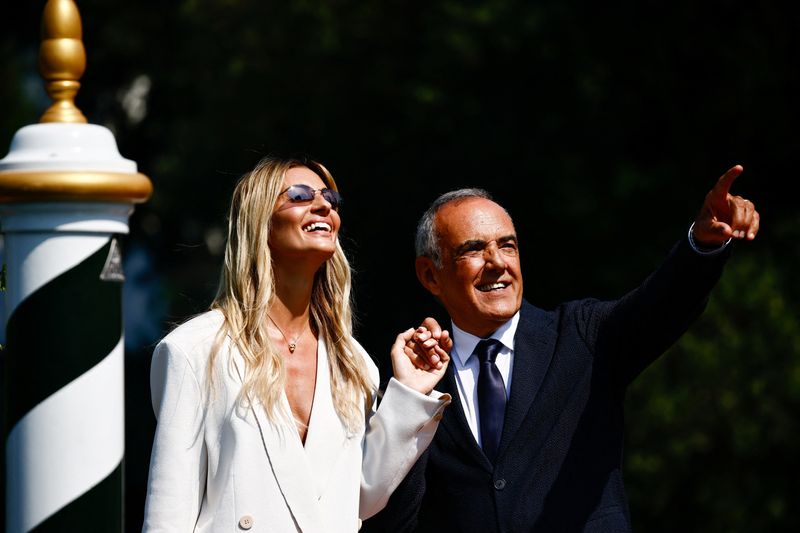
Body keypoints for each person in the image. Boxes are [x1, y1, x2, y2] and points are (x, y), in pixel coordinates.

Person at [363, 165, 760, 532]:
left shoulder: (580, 336)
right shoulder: (416, 378)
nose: (497, 262)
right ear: (430, 274)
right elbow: (392, 520)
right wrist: (411, 398)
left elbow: (660, 306)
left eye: (508, 246)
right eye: (473, 249)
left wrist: (703, 244)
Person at [142, 155, 452, 533]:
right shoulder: (195, 351)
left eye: (330, 199)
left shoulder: (353, 363)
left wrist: (409, 392)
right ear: (260, 221)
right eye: (301, 195)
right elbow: (168, 514)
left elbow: (361, 498)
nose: (324, 205)